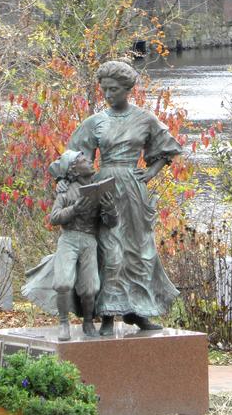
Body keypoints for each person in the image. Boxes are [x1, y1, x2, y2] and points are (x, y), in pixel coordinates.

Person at [68, 60, 182, 335]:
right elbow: (73, 157)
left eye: (114, 89)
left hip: (133, 190)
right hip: (105, 188)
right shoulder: (95, 122)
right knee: (110, 252)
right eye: (104, 89)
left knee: (140, 251)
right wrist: (85, 184)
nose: (108, 95)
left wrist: (150, 172)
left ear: (127, 89)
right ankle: (107, 313)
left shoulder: (144, 118)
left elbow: (166, 149)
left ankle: (139, 311)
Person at [22, 149, 117, 341]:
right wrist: (74, 209)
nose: (89, 160)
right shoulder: (66, 190)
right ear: (74, 169)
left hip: (89, 240)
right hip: (69, 239)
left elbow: (111, 222)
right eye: (83, 159)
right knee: (63, 283)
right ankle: (63, 322)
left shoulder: (99, 188)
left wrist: (110, 209)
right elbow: (54, 218)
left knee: (90, 288)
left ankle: (88, 321)